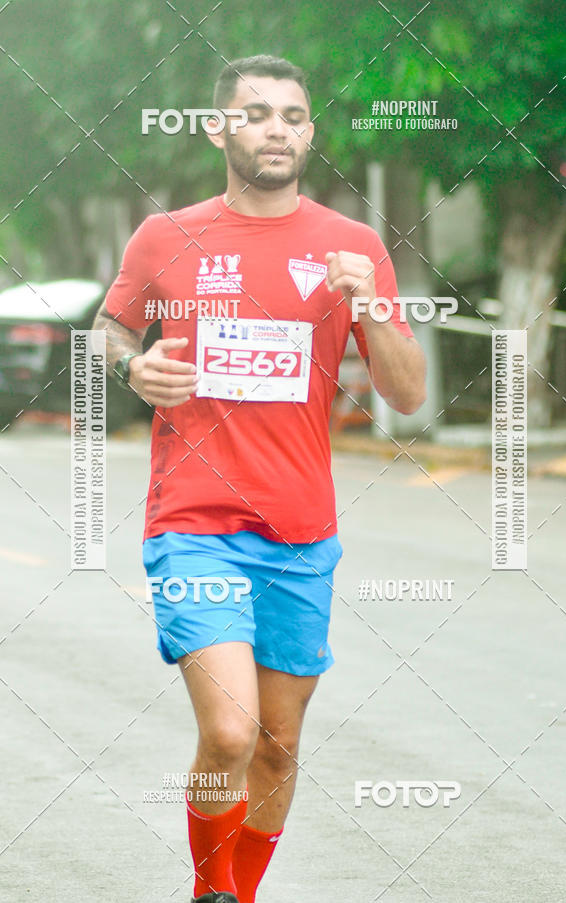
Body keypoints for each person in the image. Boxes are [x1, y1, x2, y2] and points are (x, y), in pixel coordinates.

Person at [93, 54, 426, 903]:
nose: (275, 128)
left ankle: (239, 896)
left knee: (277, 742)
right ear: (219, 128)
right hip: (193, 523)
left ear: (309, 132)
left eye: (291, 115)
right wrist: (133, 367)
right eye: (256, 113)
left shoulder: (351, 247)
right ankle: (210, 891)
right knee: (232, 731)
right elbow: (105, 331)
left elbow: (409, 394)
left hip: (301, 533)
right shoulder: (167, 236)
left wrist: (374, 307)